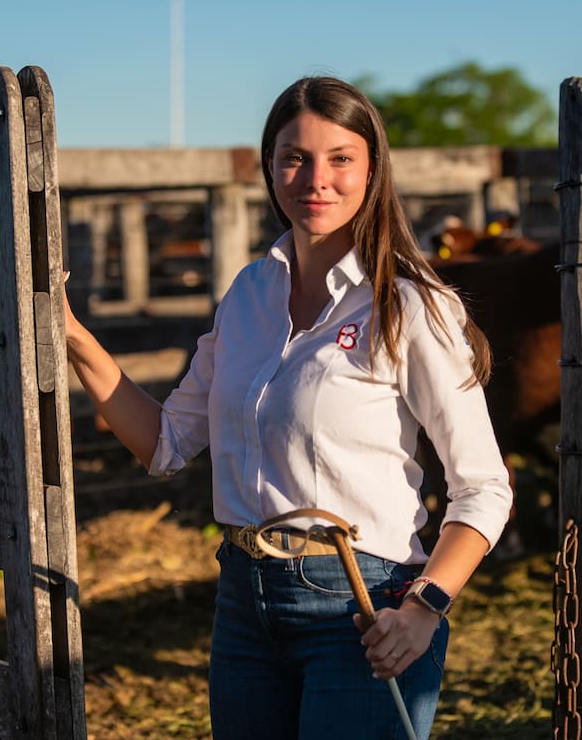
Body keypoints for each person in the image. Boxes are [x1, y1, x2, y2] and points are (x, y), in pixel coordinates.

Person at [63, 75, 513, 739]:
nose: (315, 179)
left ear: (372, 170)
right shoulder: (247, 294)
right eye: (294, 157)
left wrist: (424, 609)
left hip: (363, 606)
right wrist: (70, 334)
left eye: (340, 159)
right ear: (270, 168)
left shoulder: (409, 306)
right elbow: (163, 443)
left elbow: (483, 490)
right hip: (242, 602)